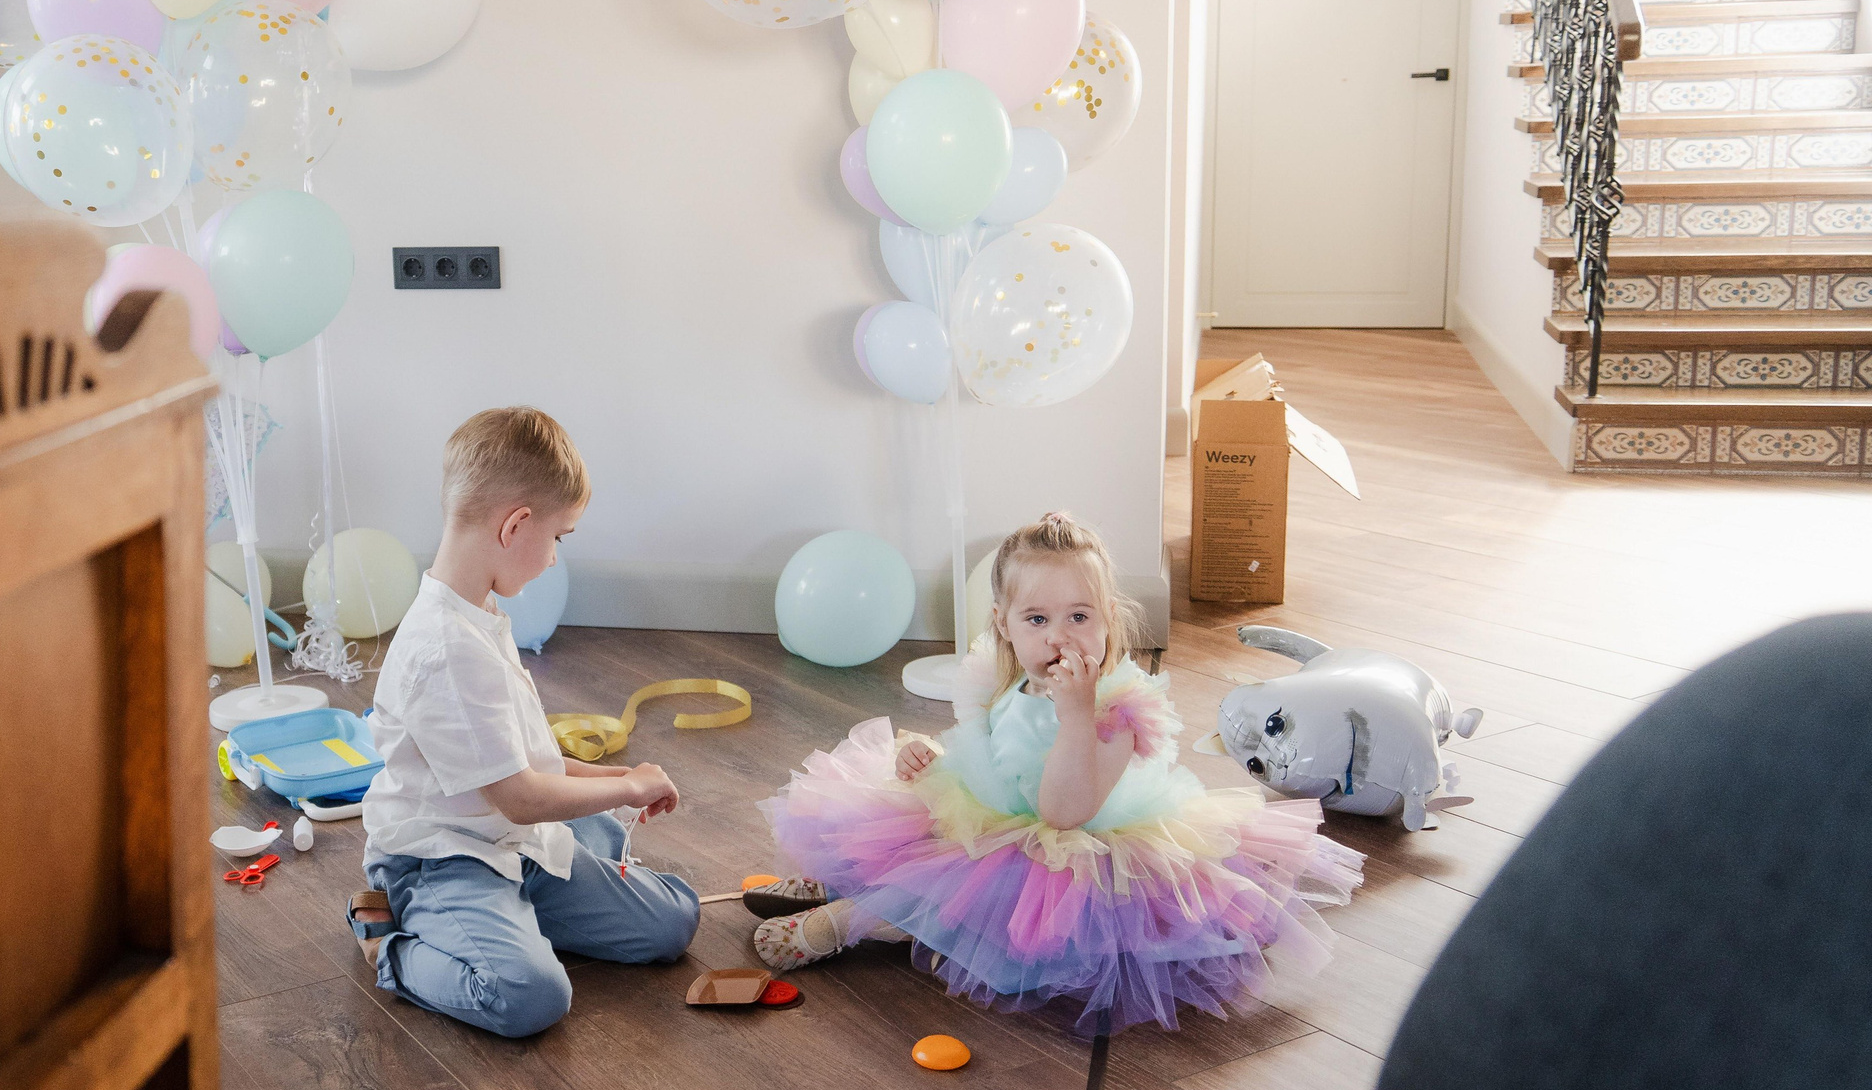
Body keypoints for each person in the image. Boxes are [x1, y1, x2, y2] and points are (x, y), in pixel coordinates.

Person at [751, 512, 1363, 1034]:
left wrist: (1075, 718)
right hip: (993, 811)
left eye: (1079, 616)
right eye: (1037, 620)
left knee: (957, 892)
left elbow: (1064, 812)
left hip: (1067, 853)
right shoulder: (1005, 671)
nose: (1059, 638)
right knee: (900, 827)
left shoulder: (1119, 710)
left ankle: (849, 921)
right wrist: (938, 762)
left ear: (1108, 620)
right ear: (1005, 625)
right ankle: (839, 883)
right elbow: (991, 749)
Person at [348, 408, 700, 1038]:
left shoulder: (479, 614)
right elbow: (519, 796)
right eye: (560, 537)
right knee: (528, 996)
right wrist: (624, 789)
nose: (555, 559)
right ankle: (390, 945)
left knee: (674, 918)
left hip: (514, 846)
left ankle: (514, 918)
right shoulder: (446, 648)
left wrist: (624, 772)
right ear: (516, 524)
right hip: (445, 857)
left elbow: (527, 760)